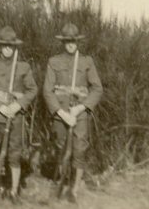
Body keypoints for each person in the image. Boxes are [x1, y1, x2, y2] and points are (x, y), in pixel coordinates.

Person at [43, 23, 103, 202]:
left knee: (79, 150)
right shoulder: (54, 62)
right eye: (67, 41)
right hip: (60, 113)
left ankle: (74, 190)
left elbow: (97, 89)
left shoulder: (87, 61)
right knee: (61, 148)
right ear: (63, 42)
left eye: (73, 41)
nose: (70, 44)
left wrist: (79, 108)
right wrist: (61, 113)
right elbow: (47, 91)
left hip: (80, 113)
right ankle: (63, 182)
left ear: (78, 41)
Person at [0, 26, 38, 204]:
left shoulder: (23, 67)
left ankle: (13, 190)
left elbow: (32, 89)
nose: (7, 49)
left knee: (14, 153)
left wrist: (17, 105)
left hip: (15, 117)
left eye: (10, 46)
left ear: (15, 47)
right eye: (4, 45)